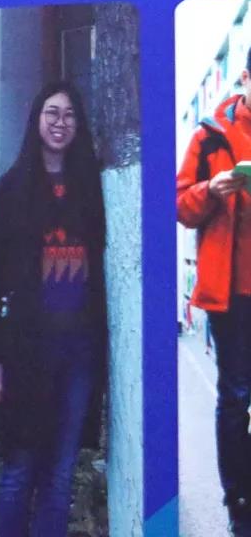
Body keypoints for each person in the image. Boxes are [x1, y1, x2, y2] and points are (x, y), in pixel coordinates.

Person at [0, 81, 108, 537]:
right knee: (20, 470)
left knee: (61, 472)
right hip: (26, 352)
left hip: (79, 351)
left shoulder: (89, 187)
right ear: (36, 119)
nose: (60, 123)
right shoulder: (11, 188)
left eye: (69, 115)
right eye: (52, 113)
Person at [177, 47, 251, 536]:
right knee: (236, 395)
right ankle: (239, 504)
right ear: (245, 77)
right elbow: (181, 205)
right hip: (233, 296)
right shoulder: (210, 135)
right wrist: (212, 189)